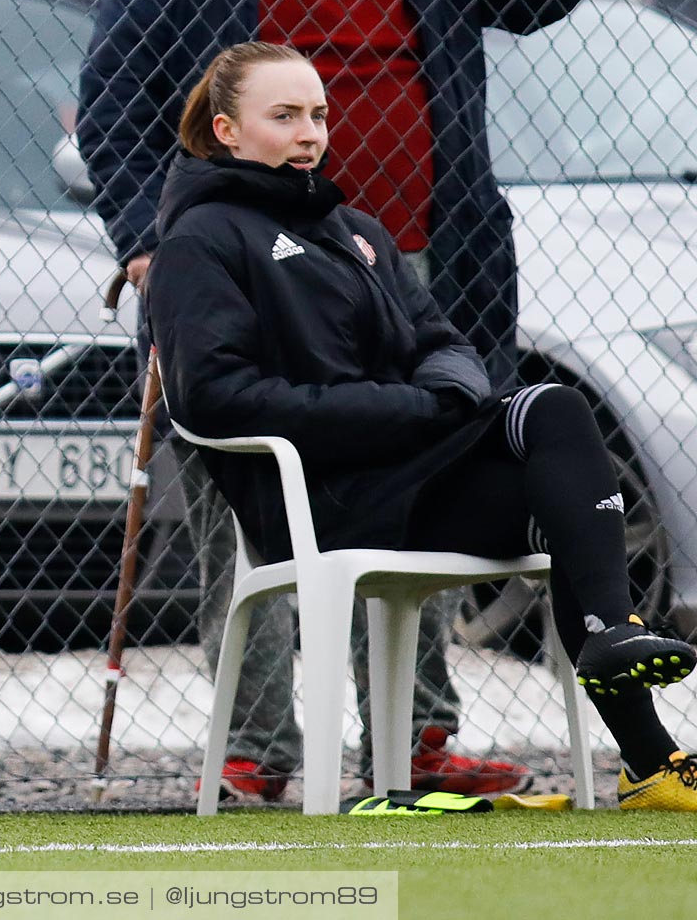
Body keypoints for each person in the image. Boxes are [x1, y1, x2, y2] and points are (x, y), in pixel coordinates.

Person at [78, 0, 593, 797]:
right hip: (246, 272)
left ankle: (415, 739)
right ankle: (257, 750)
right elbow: (113, 101)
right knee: (244, 500)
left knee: (415, 480)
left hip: (415, 258)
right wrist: (150, 246)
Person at [149, 41, 697, 810]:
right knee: (551, 438)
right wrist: (407, 411)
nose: (310, 132)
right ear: (226, 131)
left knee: (555, 423)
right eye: (284, 116)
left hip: (410, 481)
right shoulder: (199, 240)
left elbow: (443, 343)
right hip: (321, 503)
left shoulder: (356, 231)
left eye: (318, 114)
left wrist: (445, 399)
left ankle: (644, 743)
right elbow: (214, 398)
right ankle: (620, 671)